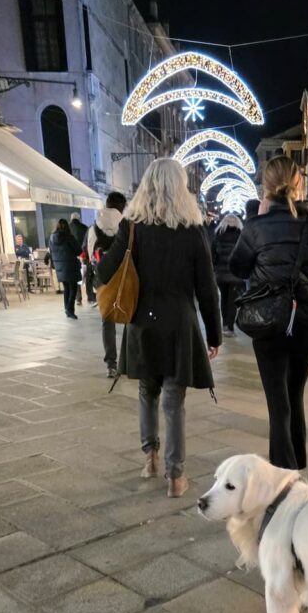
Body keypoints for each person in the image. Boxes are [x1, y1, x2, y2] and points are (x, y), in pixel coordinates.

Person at [97, 158, 221, 498]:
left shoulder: (132, 228)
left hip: (142, 323)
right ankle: (175, 477)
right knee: (173, 400)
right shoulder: (193, 230)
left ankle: (150, 458)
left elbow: (104, 272)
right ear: (180, 188)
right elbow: (207, 289)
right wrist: (214, 334)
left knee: (146, 392)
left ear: (146, 187)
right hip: (180, 324)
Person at [229, 154, 308, 470]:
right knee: (295, 393)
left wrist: (258, 221)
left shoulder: (256, 228)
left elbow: (237, 267)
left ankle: (283, 472)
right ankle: (296, 465)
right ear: (299, 185)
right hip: (307, 326)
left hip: (268, 321)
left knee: (277, 400)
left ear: (266, 187)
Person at [88, 191, 127, 378]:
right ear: (122, 207)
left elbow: (90, 254)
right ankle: (128, 361)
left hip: (102, 279)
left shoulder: (94, 227)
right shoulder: (126, 226)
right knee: (131, 317)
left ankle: (111, 364)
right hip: (124, 278)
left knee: (107, 321)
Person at [212, 214, 245, 337]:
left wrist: (215, 267)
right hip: (236, 274)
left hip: (221, 274)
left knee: (224, 299)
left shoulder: (218, 235)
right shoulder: (241, 235)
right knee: (232, 301)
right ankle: (229, 327)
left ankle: (225, 324)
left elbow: (212, 254)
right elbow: (244, 254)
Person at [48, 218, 82, 319]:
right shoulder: (69, 237)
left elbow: (51, 252)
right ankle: (70, 310)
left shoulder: (52, 238)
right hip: (70, 266)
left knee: (66, 288)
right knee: (73, 288)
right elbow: (78, 251)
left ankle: (67, 309)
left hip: (59, 267)